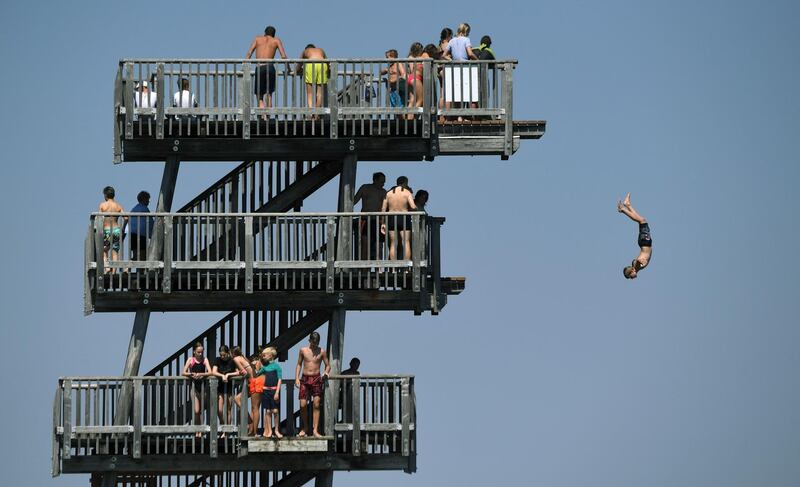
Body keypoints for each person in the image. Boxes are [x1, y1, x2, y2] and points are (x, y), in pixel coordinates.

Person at [295, 332, 330, 437]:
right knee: (303, 404)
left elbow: (328, 365)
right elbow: (299, 364)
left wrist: (326, 372)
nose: (315, 345)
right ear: (310, 341)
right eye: (313, 342)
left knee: (316, 404)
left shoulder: (322, 351)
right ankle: (305, 427)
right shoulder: (303, 350)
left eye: (317, 343)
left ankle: (315, 430)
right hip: (305, 379)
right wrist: (297, 378)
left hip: (316, 379)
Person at [246, 26, 288, 109]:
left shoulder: (257, 39)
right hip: (270, 67)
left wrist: (244, 67)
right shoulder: (276, 40)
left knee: (259, 95)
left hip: (260, 67)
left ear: (264, 33)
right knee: (269, 94)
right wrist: (289, 68)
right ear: (274, 35)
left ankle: (262, 115)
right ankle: (268, 116)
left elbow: (249, 53)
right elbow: (283, 56)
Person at [617, 193, 653, 279]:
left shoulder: (637, 266)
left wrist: (639, 261)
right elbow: (634, 261)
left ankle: (623, 209)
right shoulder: (636, 268)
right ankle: (628, 205)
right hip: (644, 242)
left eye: (630, 276)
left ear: (632, 271)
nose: (632, 278)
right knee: (641, 221)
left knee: (642, 221)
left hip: (645, 242)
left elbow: (636, 262)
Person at [381, 177, 417, 260]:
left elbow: (383, 209)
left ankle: (393, 268)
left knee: (393, 243)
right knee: (406, 242)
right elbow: (413, 206)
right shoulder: (407, 192)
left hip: (391, 217)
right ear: (405, 183)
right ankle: (407, 265)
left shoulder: (388, 193)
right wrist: (416, 209)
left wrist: (383, 223)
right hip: (404, 217)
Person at [354, 172, 387, 260]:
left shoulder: (383, 192)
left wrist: (383, 222)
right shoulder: (365, 188)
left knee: (379, 246)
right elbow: (354, 201)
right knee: (365, 246)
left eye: (384, 182)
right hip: (365, 220)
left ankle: (379, 271)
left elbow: (386, 208)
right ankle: (364, 270)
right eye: (381, 182)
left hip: (378, 221)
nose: (383, 184)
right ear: (375, 180)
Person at [182, 342, 211, 438]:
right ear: (194, 351)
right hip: (194, 387)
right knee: (196, 410)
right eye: (198, 352)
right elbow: (183, 372)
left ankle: (200, 432)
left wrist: (202, 374)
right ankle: (196, 430)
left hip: (203, 387)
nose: (200, 354)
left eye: (202, 352)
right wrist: (191, 374)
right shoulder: (191, 360)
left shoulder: (205, 359)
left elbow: (210, 372)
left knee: (202, 410)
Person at [253, 347, 283, 438]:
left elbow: (279, 379)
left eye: (265, 355)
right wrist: (254, 365)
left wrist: (277, 392)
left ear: (270, 356)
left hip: (274, 390)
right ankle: (269, 431)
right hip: (265, 391)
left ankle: (276, 430)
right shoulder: (265, 367)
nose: (263, 357)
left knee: (275, 410)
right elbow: (256, 374)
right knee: (268, 411)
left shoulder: (277, 366)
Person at [99, 186, 128, 272]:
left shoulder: (103, 205)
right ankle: (114, 271)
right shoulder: (118, 206)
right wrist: (123, 228)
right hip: (116, 230)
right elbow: (126, 218)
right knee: (115, 252)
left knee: (104, 250)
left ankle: (107, 268)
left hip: (107, 230)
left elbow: (99, 219)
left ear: (105, 195)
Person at [212, 345, 239, 434]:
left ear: (228, 353)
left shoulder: (232, 361)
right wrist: (222, 375)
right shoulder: (217, 360)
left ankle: (226, 432)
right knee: (219, 410)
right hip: (220, 387)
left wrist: (228, 375)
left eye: (224, 355)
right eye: (221, 355)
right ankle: (223, 426)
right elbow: (214, 371)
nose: (222, 357)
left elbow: (238, 371)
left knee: (228, 409)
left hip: (229, 387)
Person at [297, 44, 328, 114]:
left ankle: (311, 113)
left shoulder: (305, 51)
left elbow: (299, 65)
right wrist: (328, 72)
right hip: (322, 64)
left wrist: (296, 71)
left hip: (311, 64)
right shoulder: (321, 50)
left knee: (309, 93)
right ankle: (317, 113)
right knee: (319, 93)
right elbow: (328, 62)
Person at [128, 191, 153, 261]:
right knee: (142, 255)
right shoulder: (145, 209)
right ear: (144, 199)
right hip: (141, 235)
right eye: (148, 199)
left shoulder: (134, 209)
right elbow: (151, 222)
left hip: (132, 234)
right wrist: (152, 234)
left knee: (136, 254)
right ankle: (140, 271)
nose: (149, 201)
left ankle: (127, 268)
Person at [406, 43, 425, 120]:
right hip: (416, 78)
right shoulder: (416, 58)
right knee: (421, 99)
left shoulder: (411, 57)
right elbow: (411, 69)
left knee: (412, 100)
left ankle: (409, 118)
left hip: (411, 78)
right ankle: (413, 117)